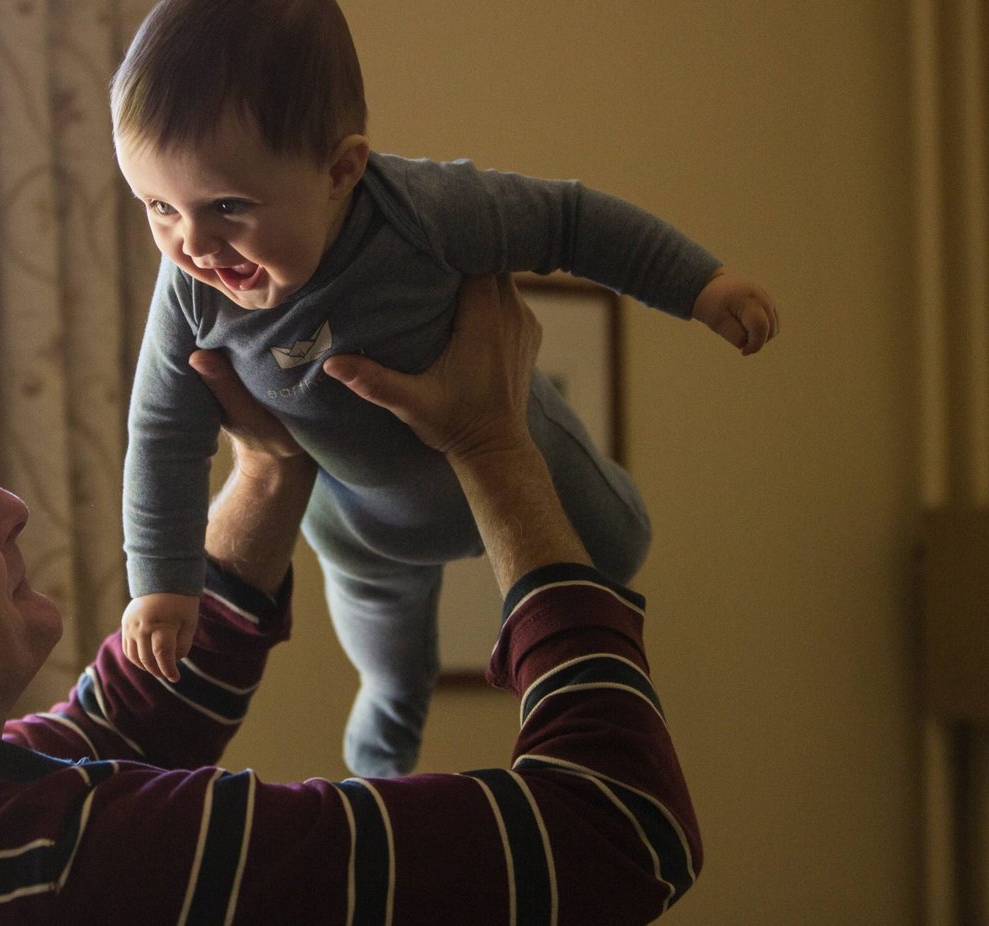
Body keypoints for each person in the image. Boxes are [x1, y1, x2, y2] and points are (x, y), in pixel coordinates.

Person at [0, 274, 700, 924]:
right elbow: (615, 833)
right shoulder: (66, 864)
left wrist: (265, 467)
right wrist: (494, 446)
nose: (7, 505)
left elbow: (119, 723)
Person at [111, 0, 780, 777]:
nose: (192, 244)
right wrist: (161, 583)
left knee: (620, 549)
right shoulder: (192, 292)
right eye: (159, 207)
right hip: (364, 527)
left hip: (518, 447)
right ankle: (381, 772)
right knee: (392, 672)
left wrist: (702, 285)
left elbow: (571, 222)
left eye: (228, 206)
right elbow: (163, 433)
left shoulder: (424, 213)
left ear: (340, 170)